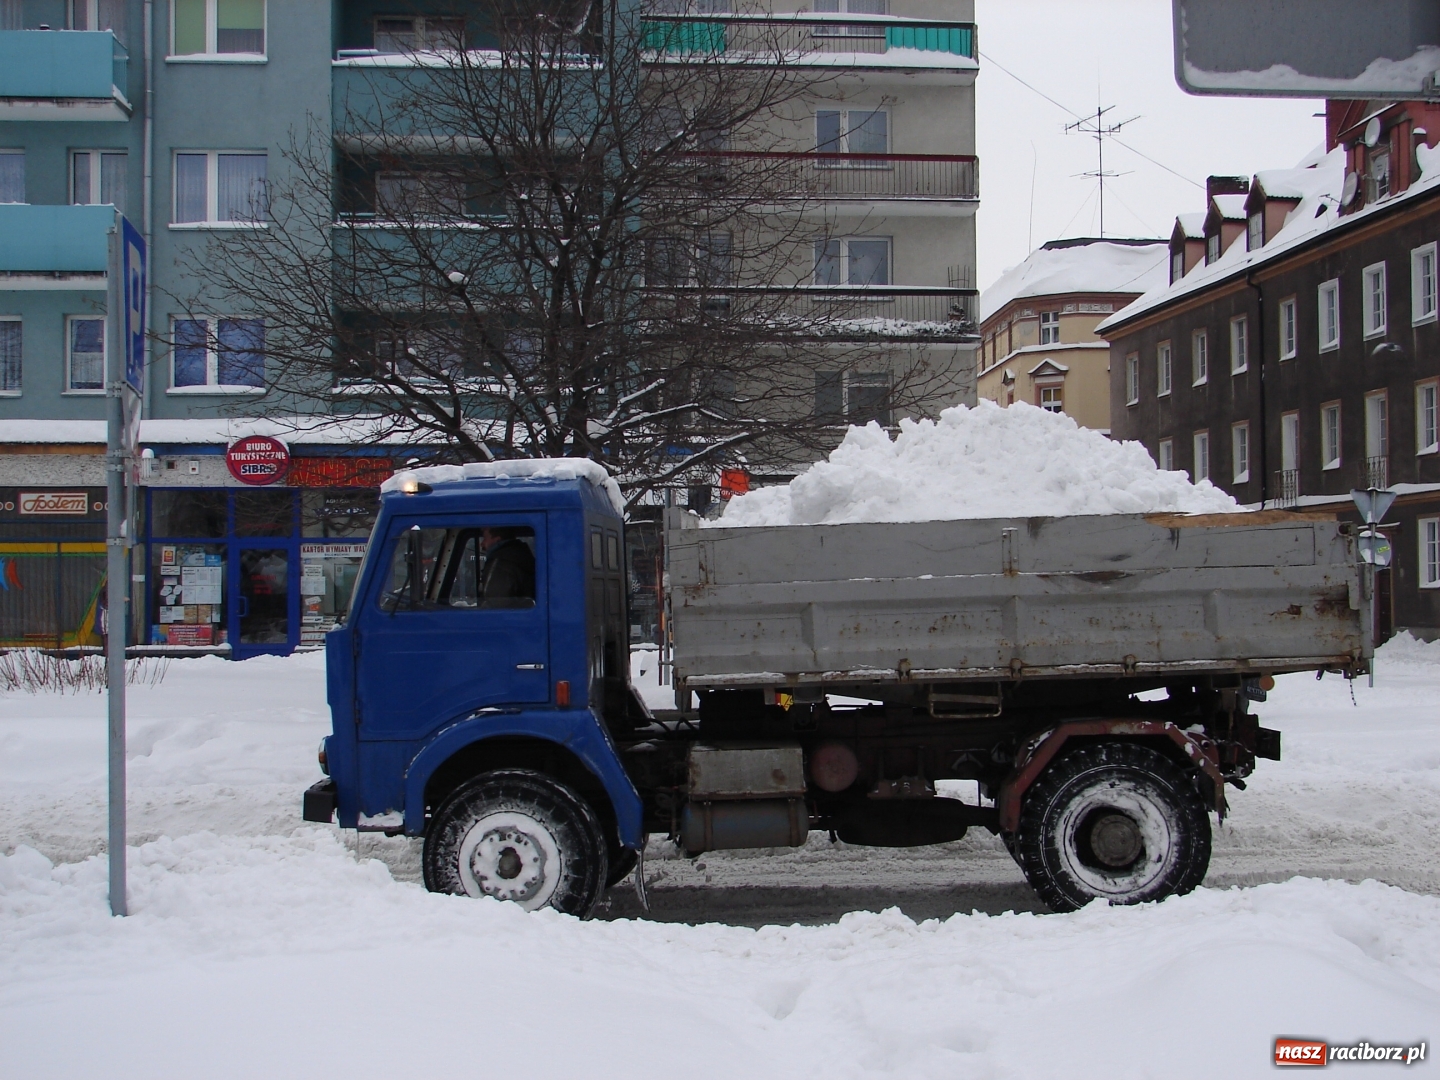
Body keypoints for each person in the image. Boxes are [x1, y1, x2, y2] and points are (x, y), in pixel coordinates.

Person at [479, 527, 535, 607]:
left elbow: (494, 604)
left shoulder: (500, 564)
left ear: (497, 540)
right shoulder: (521, 557)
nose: (482, 543)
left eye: (485, 538)